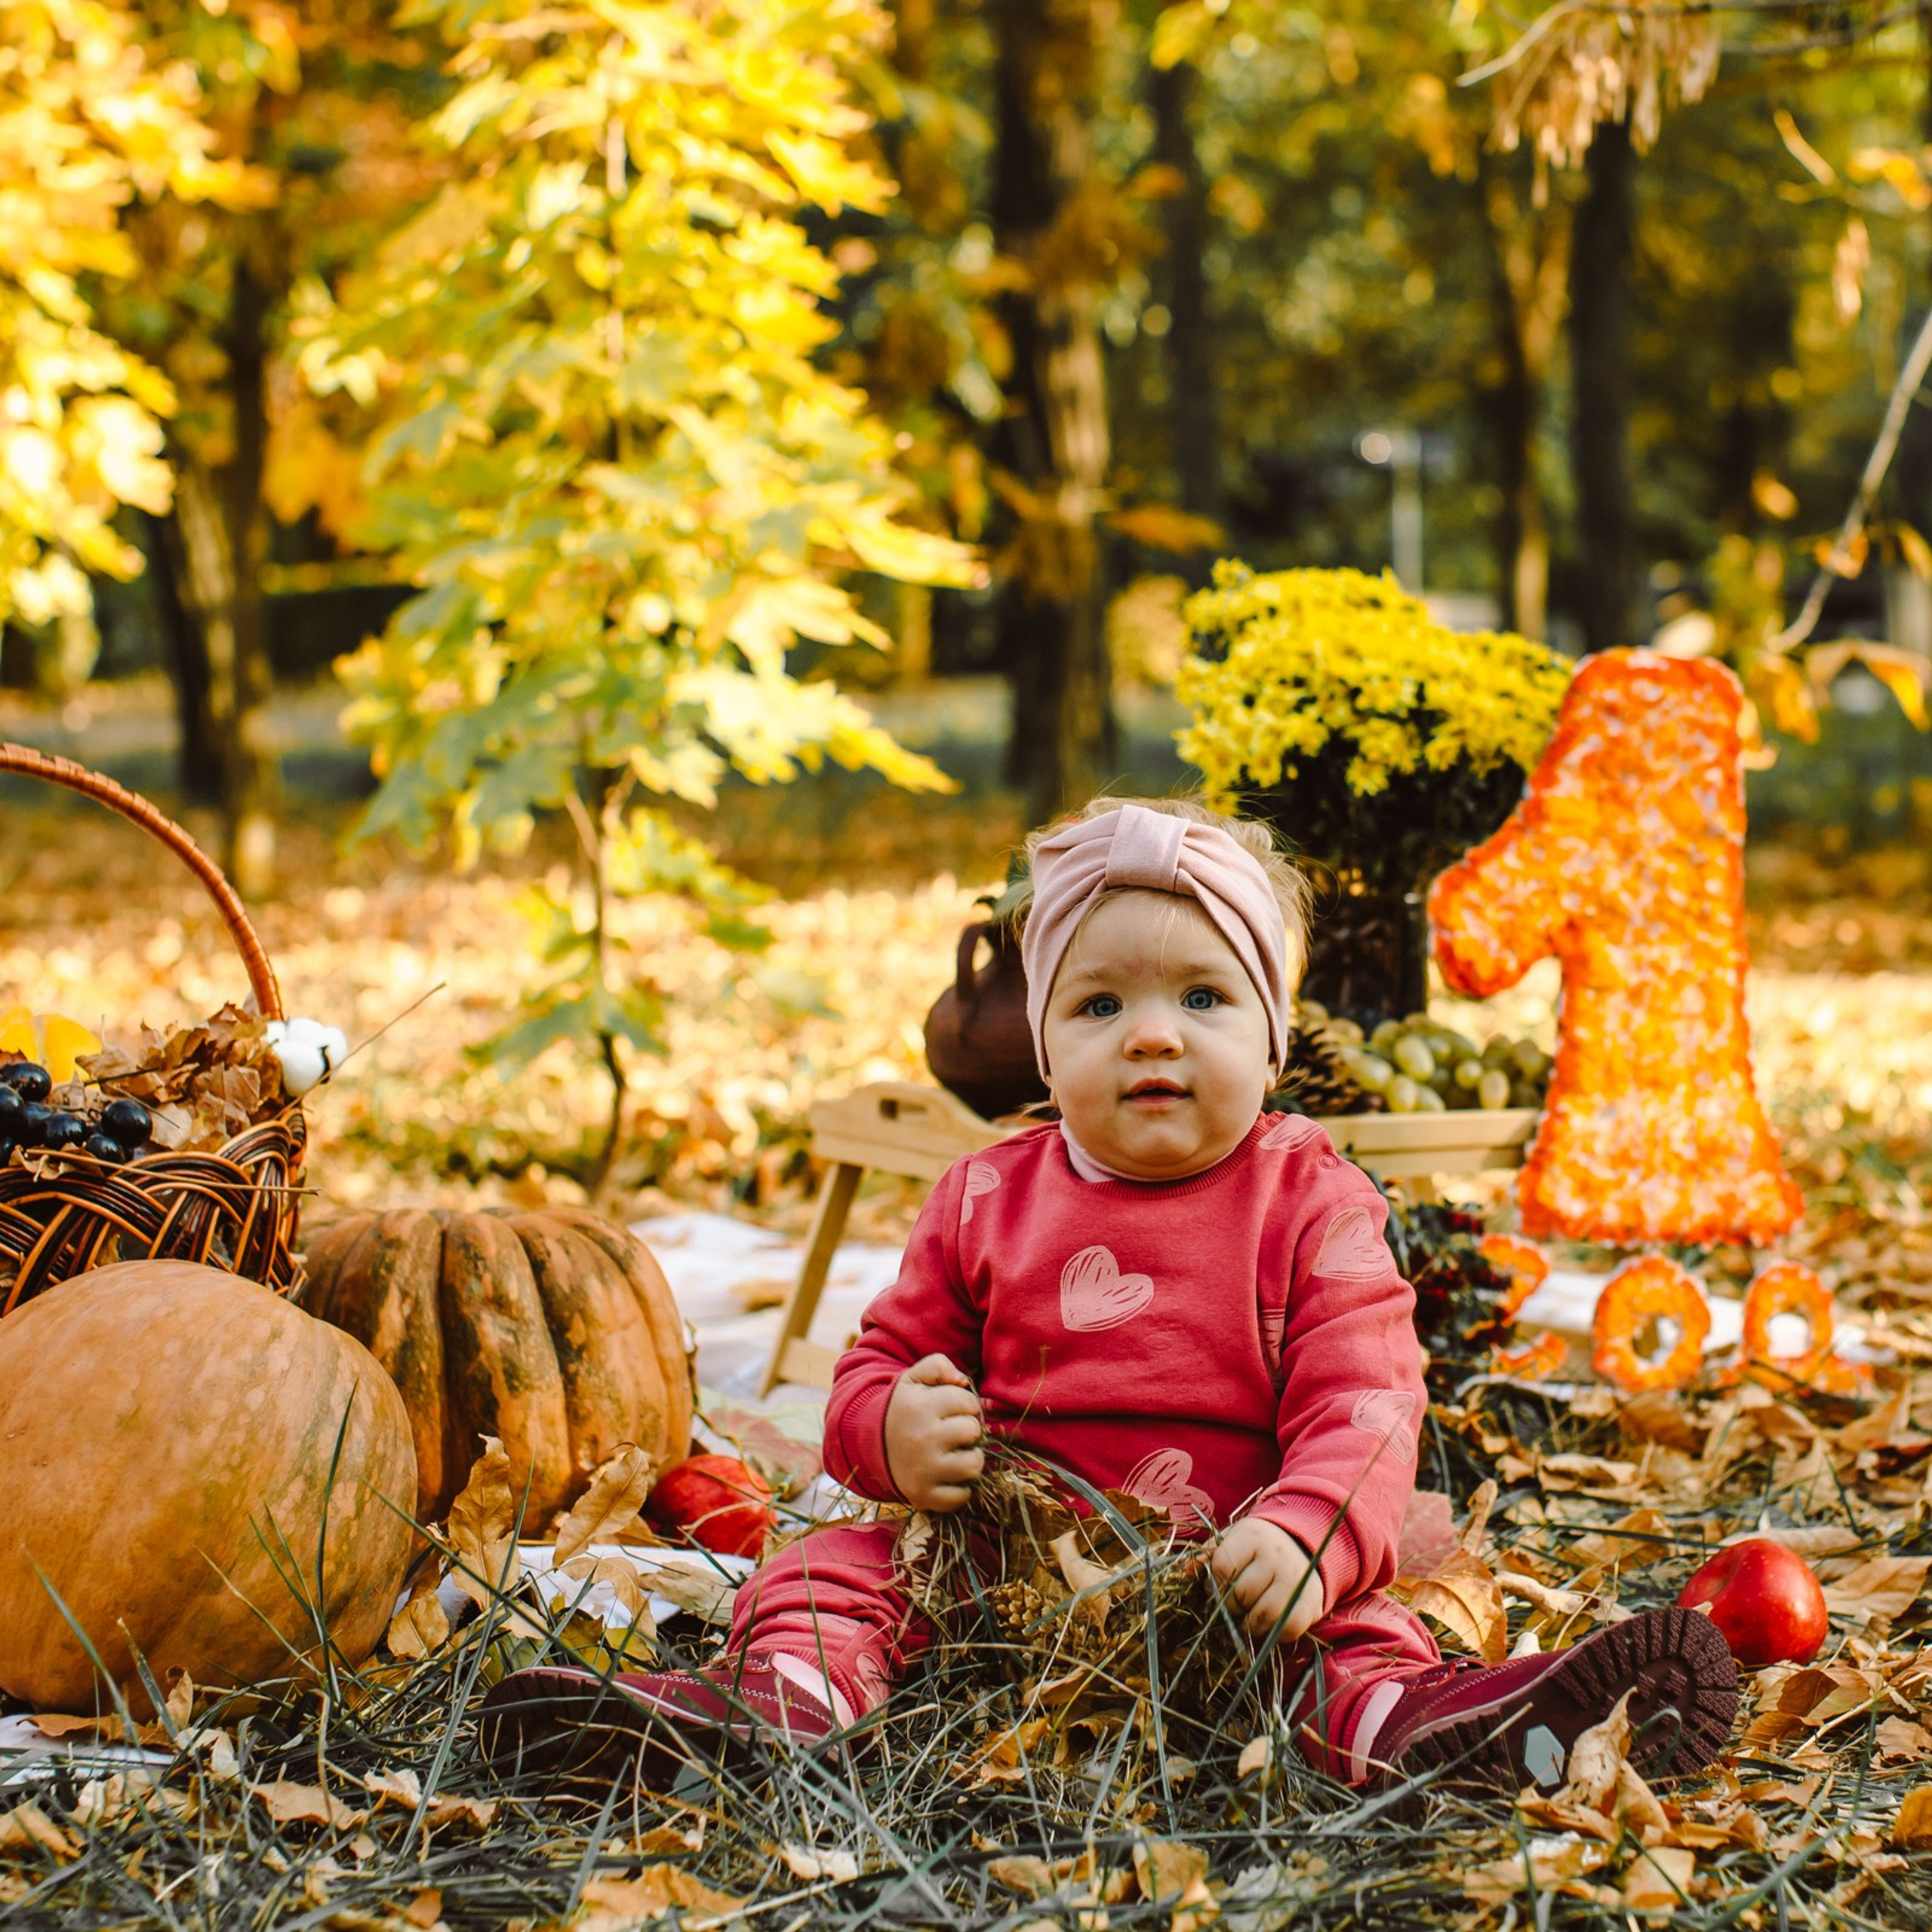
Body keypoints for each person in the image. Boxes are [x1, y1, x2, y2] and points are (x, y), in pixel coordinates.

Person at [481, 797, 1737, 1790]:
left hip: (1241, 1568)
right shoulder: (985, 1194)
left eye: (1201, 998)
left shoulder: (1313, 1197)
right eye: (1100, 1004)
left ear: (1272, 1034)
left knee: (1363, 1632)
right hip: (1008, 1570)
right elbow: (876, 1367)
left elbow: (1370, 1400)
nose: (1152, 1035)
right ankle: (771, 1717)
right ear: (1044, 1041)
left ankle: (1433, 1734)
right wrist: (893, 1434)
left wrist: (1309, 1536)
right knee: (829, 1574)